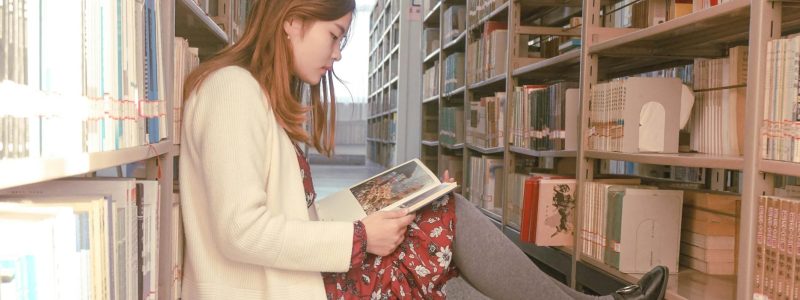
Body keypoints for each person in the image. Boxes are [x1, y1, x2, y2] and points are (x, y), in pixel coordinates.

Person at [178, 0, 669, 299]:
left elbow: (268, 216)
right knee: (444, 219)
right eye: (334, 35)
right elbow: (239, 231)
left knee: (440, 246)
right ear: (291, 20)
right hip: (287, 290)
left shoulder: (247, 91)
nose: (338, 53)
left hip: (300, 282)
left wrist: (368, 210)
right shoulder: (231, 90)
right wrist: (357, 237)